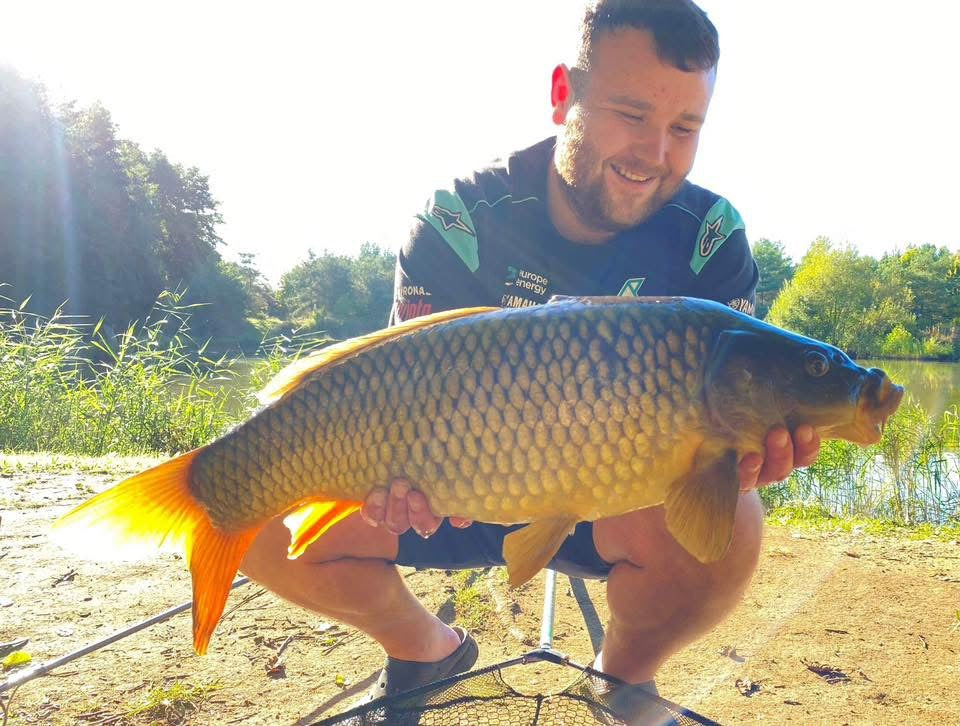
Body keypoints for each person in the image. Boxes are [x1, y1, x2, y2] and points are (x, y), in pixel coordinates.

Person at [241, 0, 821, 717]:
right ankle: (426, 649)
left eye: (684, 128)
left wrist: (747, 453)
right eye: (632, 115)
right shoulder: (460, 220)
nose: (656, 154)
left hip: (609, 494)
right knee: (242, 507)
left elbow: (728, 420)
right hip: (449, 488)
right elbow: (385, 397)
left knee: (735, 518)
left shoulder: (708, 236)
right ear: (562, 95)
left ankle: (622, 676)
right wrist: (387, 478)